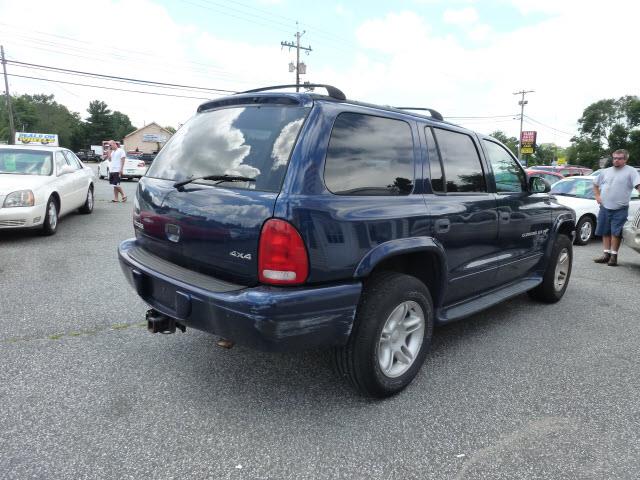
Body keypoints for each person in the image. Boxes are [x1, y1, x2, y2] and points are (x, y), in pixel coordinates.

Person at [593, 149, 640, 266]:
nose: (616, 160)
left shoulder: (631, 171)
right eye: (614, 158)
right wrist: (598, 196)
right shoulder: (606, 171)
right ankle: (606, 255)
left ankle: (614, 256)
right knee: (605, 231)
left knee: (616, 233)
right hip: (604, 206)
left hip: (620, 208)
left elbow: (638, 185)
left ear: (625, 159)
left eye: (619, 158)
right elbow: (595, 184)